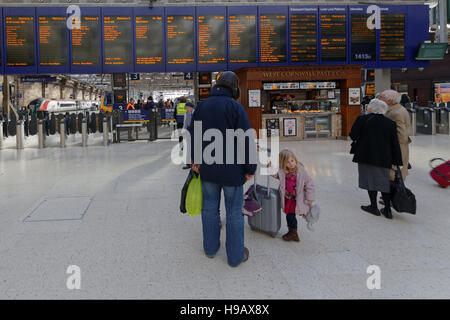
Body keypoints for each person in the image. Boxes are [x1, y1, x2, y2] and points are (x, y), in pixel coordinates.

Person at [189, 71, 256, 267]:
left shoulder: (201, 107)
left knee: (209, 209)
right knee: (234, 212)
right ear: (234, 88)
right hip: (232, 172)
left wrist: (195, 159)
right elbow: (246, 140)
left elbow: (194, 135)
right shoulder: (236, 107)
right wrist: (250, 168)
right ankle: (235, 257)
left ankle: (210, 249)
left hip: (208, 170)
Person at [349, 99, 403, 219]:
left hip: (365, 155)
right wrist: (397, 161)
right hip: (384, 157)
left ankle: (373, 206)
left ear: (370, 108)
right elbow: (394, 143)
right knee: (384, 181)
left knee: (369, 181)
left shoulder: (362, 119)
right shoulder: (390, 123)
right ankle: (388, 210)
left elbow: (353, 135)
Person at [270, 150, 315, 242]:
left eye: (292, 161)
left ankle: (293, 233)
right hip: (287, 198)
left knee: (290, 215)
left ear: (296, 160)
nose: (290, 164)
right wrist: (270, 166)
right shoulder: (282, 171)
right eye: (287, 162)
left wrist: (310, 198)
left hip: (296, 200)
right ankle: (292, 232)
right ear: (282, 163)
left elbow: (310, 185)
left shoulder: (301, 172)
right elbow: (275, 174)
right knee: (289, 215)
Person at [379, 90, 411, 181]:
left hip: (396, 149)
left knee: (393, 177)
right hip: (395, 148)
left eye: (381, 97)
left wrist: (395, 152)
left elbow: (401, 135)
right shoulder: (393, 109)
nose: (379, 99)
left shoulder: (396, 113)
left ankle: (394, 194)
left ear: (389, 100)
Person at [181, 101, 195, 170]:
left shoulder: (195, 113)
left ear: (190, 108)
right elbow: (185, 123)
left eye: (186, 108)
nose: (186, 109)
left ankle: (195, 163)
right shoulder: (186, 114)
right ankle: (188, 164)